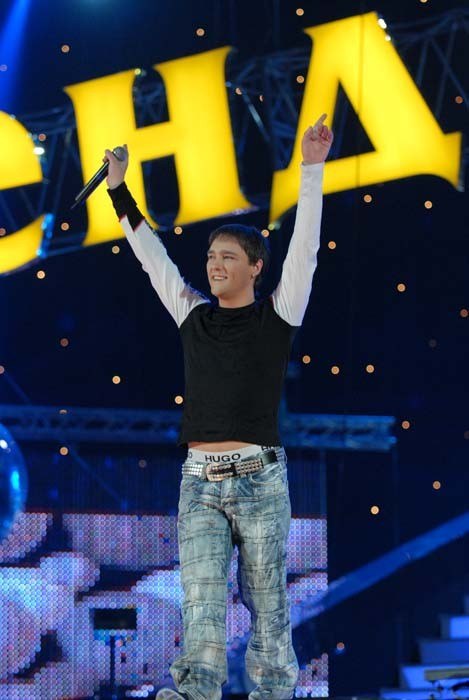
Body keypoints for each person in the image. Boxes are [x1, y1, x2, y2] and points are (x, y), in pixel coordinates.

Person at [105, 114, 333, 700]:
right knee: (201, 600)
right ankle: (195, 692)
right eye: (211, 255)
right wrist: (119, 190)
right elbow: (152, 256)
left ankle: (274, 693)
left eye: (229, 256)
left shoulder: (279, 314)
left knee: (268, 601)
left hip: (261, 480)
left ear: (256, 267)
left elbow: (305, 250)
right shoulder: (192, 314)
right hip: (199, 482)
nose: (214, 264)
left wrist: (311, 169)